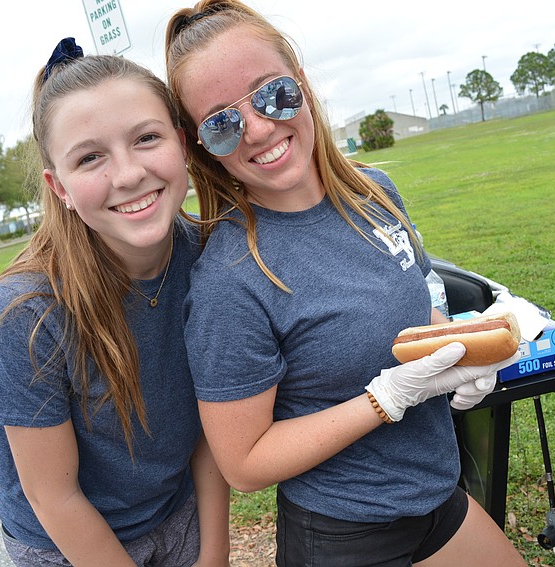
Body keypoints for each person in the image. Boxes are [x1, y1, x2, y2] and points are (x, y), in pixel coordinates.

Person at [164, 3, 526, 566]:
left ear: (302, 83)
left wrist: (461, 347)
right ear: (201, 145)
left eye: (271, 93)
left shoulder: (375, 193)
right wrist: (384, 399)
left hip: (434, 496)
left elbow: (413, 315)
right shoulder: (230, 280)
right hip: (344, 535)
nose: (257, 128)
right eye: (222, 122)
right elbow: (242, 463)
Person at [0, 38, 230, 567]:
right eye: (90, 157)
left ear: (183, 145)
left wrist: (215, 552)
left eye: (146, 138)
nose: (129, 174)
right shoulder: (26, 310)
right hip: (66, 542)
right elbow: (53, 496)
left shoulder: (211, 256)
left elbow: (214, 421)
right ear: (58, 185)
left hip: (175, 510)